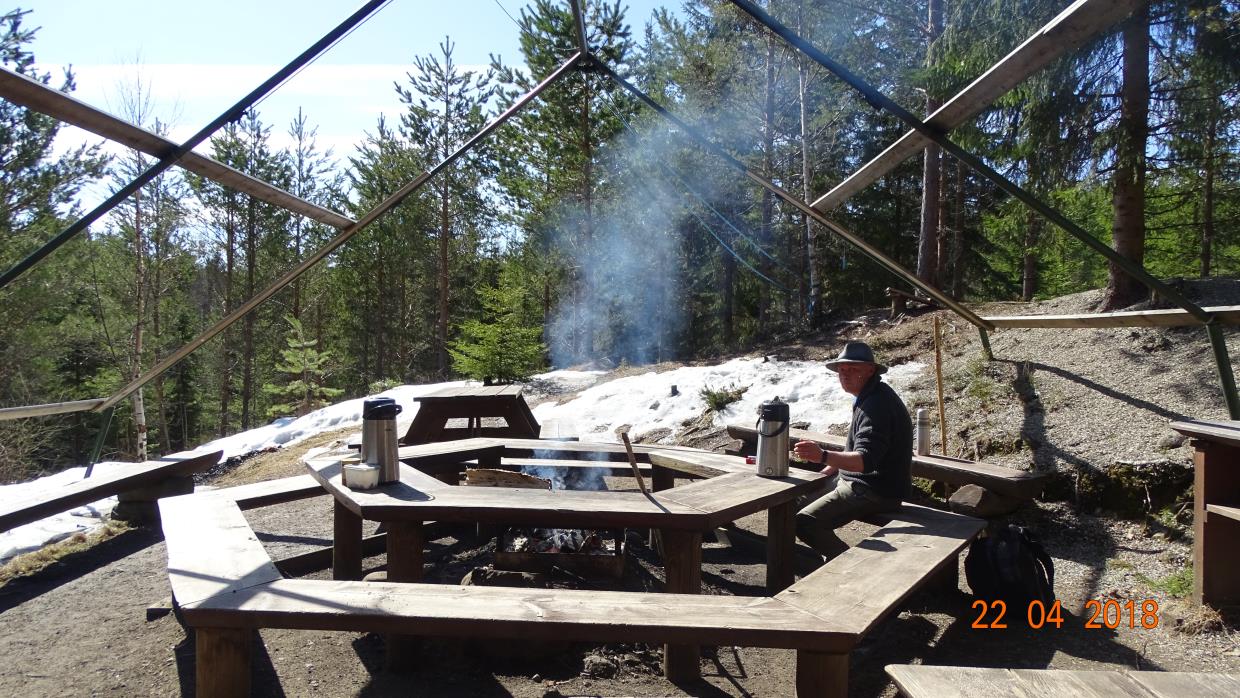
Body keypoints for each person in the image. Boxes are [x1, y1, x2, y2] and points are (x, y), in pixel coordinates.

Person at [792, 341, 912, 561]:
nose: (845, 375)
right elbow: (855, 447)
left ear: (870, 370)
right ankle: (789, 562)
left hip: (875, 490)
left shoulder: (877, 405)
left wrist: (822, 456)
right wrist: (828, 469)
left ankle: (848, 566)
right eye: (842, 370)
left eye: (853, 369)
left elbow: (865, 460)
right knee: (791, 503)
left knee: (806, 523)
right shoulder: (868, 396)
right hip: (853, 480)